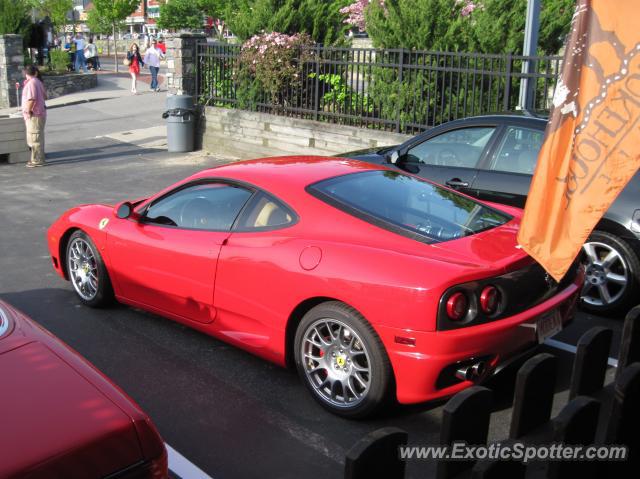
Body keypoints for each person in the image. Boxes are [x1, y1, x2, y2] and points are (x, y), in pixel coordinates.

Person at [21, 65, 47, 168]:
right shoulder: (38, 82)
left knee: (34, 138)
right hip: (40, 113)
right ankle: (39, 158)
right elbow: (45, 96)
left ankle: (37, 160)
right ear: (35, 73)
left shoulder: (31, 83)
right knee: (38, 137)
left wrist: (28, 111)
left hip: (34, 114)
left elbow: (31, 99)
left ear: (26, 74)